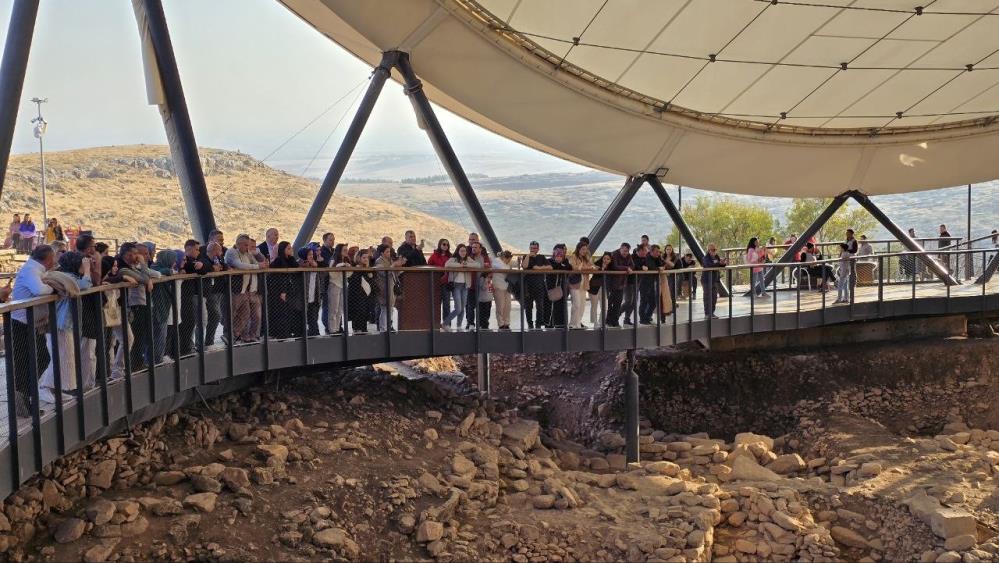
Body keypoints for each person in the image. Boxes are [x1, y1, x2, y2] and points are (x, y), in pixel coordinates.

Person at [37, 251, 93, 407]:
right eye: (83, 263)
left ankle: (55, 388)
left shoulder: (68, 277)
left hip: (63, 324)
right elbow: (85, 286)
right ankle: (44, 386)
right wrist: (88, 271)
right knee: (60, 357)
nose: (85, 265)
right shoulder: (67, 279)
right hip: (59, 324)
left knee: (64, 357)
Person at [8, 245, 56, 415]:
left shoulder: (37, 270)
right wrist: (53, 288)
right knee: (25, 362)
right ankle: (23, 402)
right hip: (22, 324)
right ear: (48, 259)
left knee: (39, 357)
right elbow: (39, 290)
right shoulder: (31, 270)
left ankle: (25, 397)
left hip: (32, 324)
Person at [225, 234, 263, 343]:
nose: (248, 248)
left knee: (245, 315)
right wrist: (257, 267)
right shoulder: (232, 252)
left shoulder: (247, 253)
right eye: (246, 245)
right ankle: (228, 336)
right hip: (234, 290)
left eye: (249, 245)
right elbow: (239, 265)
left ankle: (236, 334)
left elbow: (259, 263)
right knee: (231, 314)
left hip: (244, 290)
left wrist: (259, 262)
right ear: (239, 244)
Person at [149, 250, 177, 364]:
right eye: (173, 259)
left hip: (163, 305)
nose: (175, 262)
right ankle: (157, 359)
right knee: (159, 332)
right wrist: (168, 271)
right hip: (157, 305)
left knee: (162, 332)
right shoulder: (156, 268)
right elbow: (157, 272)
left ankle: (158, 358)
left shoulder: (160, 268)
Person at [267, 242, 300, 339]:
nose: (291, 250)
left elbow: (296, 266)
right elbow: (278, 277)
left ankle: (287, 331)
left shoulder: (290, 259)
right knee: (281, 312)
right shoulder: (278, 261)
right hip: (278, 290)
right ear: (283, 249)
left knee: (288, 311)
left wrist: (292, 256)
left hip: (287, 289)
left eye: (291, 248)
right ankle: (280, 333)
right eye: (288, 248)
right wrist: (282, 291)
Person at [520, 241, 551, 329]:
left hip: (539, 285)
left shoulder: (541, 257)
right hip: (528, 285)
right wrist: (528, 256)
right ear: (529, 248)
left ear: (538, 249)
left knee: (540, 306)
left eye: (535, 248)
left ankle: (538, 324)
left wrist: (539, 268)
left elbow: (550, 267)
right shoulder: (526, 257)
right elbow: (524, 266)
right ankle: (530, 324)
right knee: (528, 306)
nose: (533, 250)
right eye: (531, 248)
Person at [442, 244, 472, 330]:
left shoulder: (468, 259)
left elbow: (478, 265)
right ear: (458, 251)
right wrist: (461, 265)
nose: (463, 252)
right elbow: (447, 265)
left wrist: (467, 264)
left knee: (462, 308)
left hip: (465, 286)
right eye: (461, 251)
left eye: (465, 251)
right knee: (458, 308)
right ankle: (445, 323)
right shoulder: (453, 259)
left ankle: (459, 326)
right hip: (456, 286)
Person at [567, 241, 595, 328]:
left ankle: (578, 323)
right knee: (576, 304)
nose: (584, 251)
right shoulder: (573, 257)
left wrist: (588, 262)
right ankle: (572, 323)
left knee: (582, 305)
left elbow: (592, 267)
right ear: (578, 249)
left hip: (584, 284)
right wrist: (586, 268)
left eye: (586, 250)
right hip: (575, 284)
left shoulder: (585, 258)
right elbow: (575, 268)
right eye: (583, 249)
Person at [347, 250, 376, 333]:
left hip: (366, 295)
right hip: (356, 295)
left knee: (365, 312)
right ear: (359, 258)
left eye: (367, 257)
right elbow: (353, 281)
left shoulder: (368, 268)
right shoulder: (355, 268)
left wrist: (368, 271)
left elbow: (371, 280)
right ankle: (356, 329)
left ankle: (364, 329)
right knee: (358, 312)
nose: (366, 259)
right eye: (364, 257)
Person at [297, 246, 323, 336]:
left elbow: (321, 277)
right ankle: (302, 334)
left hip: (314, 296)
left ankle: (314, 333)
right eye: (309, 255)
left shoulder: (315, 264)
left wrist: (316, 267)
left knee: (314, 318)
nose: (311, 256)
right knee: (302, 319)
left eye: (312, 254)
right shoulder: (299, 264)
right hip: (303, 297)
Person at [607, 243, 634, 327]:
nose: (626, 253)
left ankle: (615, 321)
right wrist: (626, 268)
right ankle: (608, 321)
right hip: (612, 283)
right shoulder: (614, 254)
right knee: (610, 304)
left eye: (627, 251)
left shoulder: (629, 256)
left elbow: (632, 265)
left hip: (622, 283)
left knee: (618, 303)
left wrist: (629, 268)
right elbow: (615, 266)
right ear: (620, 248)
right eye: (624, 250)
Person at [427, 239, 452, 324]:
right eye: (444, 244)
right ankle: (435, 324)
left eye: (447, 245)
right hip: (436, 282)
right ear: (440, 245)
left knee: (447, 304)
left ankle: (446, 323)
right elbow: (429, 265)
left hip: (446, 283)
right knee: (436, 304)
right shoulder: (434, 255)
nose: (445, 246)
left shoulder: (450, 256)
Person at [545, 245, 571, 328]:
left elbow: (568, 268)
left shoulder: (565, 261)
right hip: (551, 287)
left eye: (561, 252)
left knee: (561, 306)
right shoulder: (549, 261)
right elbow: (552, 268)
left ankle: (560, 325)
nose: (559, 254)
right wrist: (559, 263)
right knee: (550, 306)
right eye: (558, 252)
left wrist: (561, 263)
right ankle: (549, 324)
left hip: (562, 287)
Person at [325, 243, 349, 334]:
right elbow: (332, 274)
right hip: (334, 285)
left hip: (343, 285)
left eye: (347, 250)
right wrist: (340, 267)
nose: (346, 252)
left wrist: (346, 267)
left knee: (340, 309)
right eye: (344, 250)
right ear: (339, 251)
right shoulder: (333, 260)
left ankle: (337, 328)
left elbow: (349, 274)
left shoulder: (347, 260)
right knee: (333, 309)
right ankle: (332, 329)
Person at [465, 241, 489, 329]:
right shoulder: (469, 258)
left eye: (475, 247)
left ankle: (482, 324)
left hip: (482, 286)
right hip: (471, 285)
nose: (473, 249)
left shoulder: (485, 258)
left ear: (480, 249)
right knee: (470, 305)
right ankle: (470, 323)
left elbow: (489, 269)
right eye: (472, 247)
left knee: (482, 305)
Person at [701, 244, 727, 318]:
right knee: (707, 297)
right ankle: (707, 314)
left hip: (714, 280)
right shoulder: (705, 258)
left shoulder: (716, 257)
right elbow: (709, 265)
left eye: (715, 250)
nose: (714, 251)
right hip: (706, 280)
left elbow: (719, 265)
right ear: (708, 251)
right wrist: (718, 263)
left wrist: (723, 263)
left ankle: (711, 313)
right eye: (712, 250)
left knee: (714, 297)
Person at [634, 245, 657, 324]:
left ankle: (647, 316)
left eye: (646, 250)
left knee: (653, 301)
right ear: (640, 251)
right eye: (645, 250)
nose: (646, 252)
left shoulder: (649, 258)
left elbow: (654, 266)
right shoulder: (636, 257)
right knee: (644, 301)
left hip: (650, 282)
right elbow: (637, 266)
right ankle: (643, 319)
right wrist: (642, 267)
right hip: (643, 282)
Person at [492, 251, 515, 330]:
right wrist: (509, 267)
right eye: (508, 259)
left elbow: (508, 268)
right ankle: (501, 324)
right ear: (505, 257)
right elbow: (504, 268)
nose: (509, 261)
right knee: (500, 306)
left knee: (508, 306)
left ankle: (507, 323)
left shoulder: (507, 264)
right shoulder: (496, 261)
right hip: (498, 287)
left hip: (507, 287)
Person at [588, 252, 613, 326]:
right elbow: (595, 274)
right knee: (594, 305)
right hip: (594, 287)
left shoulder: (611, 267)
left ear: (610, 260)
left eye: (608, 259)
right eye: (604, 258)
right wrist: (602, 269)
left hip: (604, 288)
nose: (605, 260)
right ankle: (595, 322)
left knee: (604, 306)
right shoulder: (597, 264)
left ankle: (602, 321)